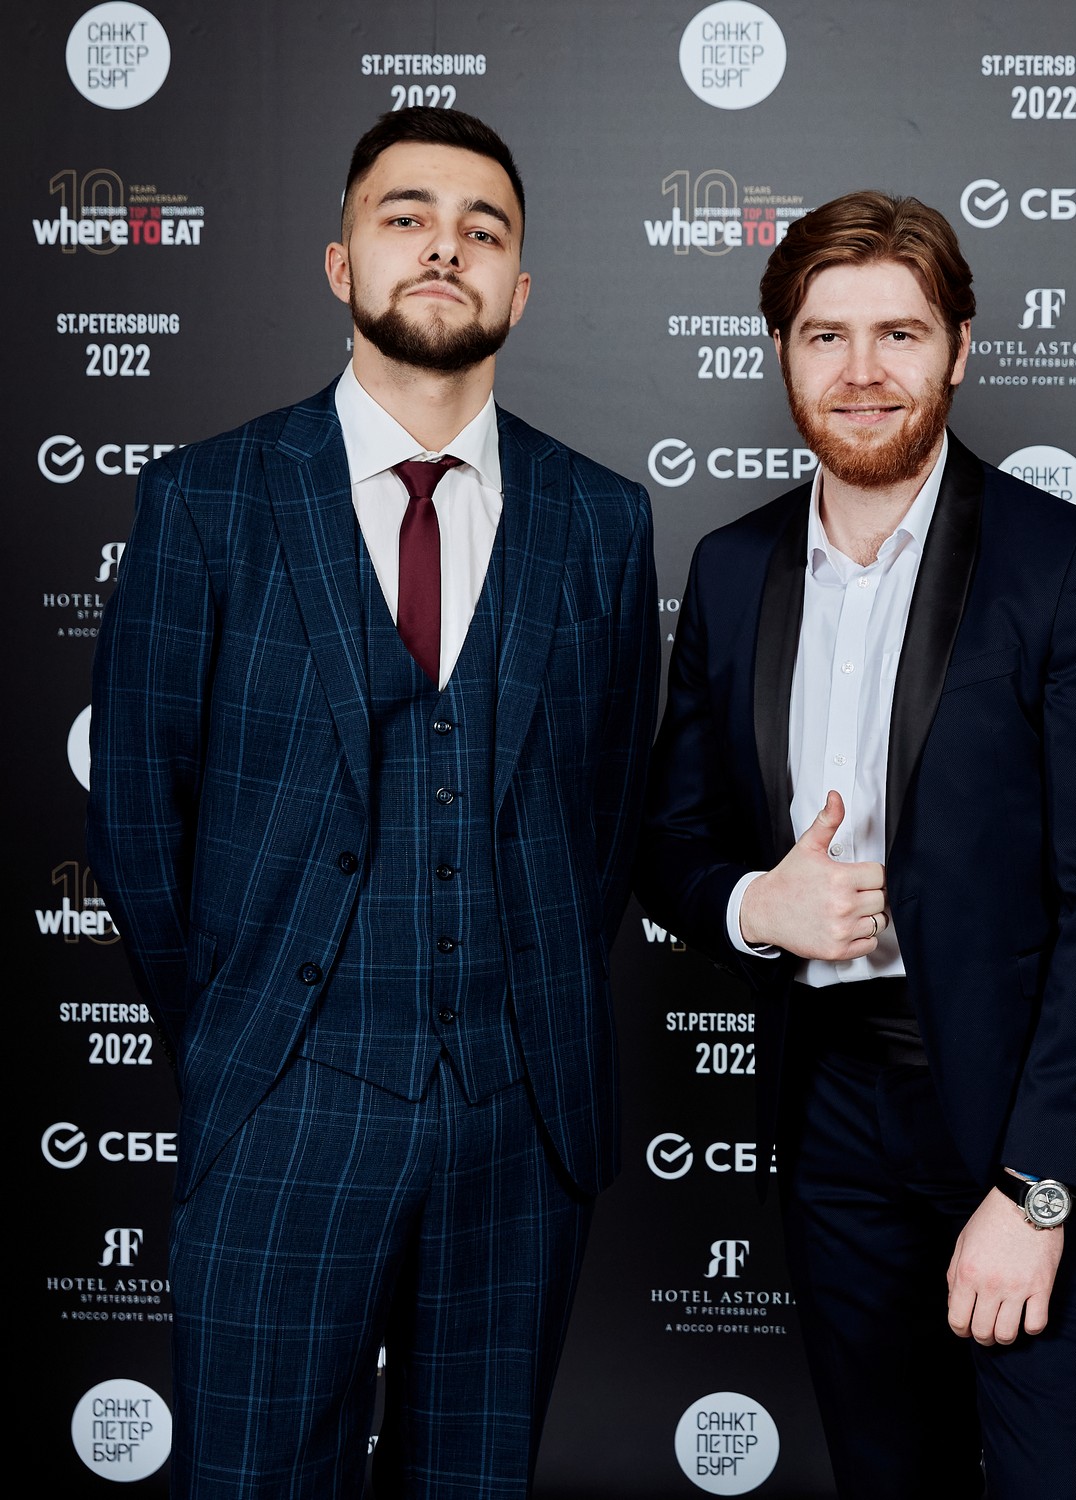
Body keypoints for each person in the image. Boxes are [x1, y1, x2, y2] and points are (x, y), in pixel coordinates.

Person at [87, 108, 659, 1495]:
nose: (445, 247)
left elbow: (606, 819)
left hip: (520, 1122)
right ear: (341, 264)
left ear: (520, 287)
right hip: (283, 1107)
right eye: (407, 218)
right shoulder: (206, 501)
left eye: (482, 229)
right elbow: (139, 823)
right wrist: (248, 1039)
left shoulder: (602, 519)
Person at [635, 190, 1076, 1499]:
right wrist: (758, 906)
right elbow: (670, 837)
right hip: (828, 1116)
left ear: (960, 348)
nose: (862, 372)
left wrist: (1036, 1187)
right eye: (826, 336)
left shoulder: (1067, 563)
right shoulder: (730, 570)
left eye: (900, 334)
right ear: (781, 350)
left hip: (1019, 1113)